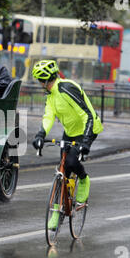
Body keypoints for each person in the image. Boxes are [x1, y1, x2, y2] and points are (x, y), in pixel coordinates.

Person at [31, 60, 103, 217]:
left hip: (87, 130)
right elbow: (48, 116)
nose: (39, 83)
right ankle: (60, 209)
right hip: (70, 132)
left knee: (71, 162)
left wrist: (86, 141)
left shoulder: (66, 88)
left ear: (44, 80)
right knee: (63, 170)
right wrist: (40, 135)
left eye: (40, 80)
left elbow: (88, 114)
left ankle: (83, 179)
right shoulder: (51, 95)